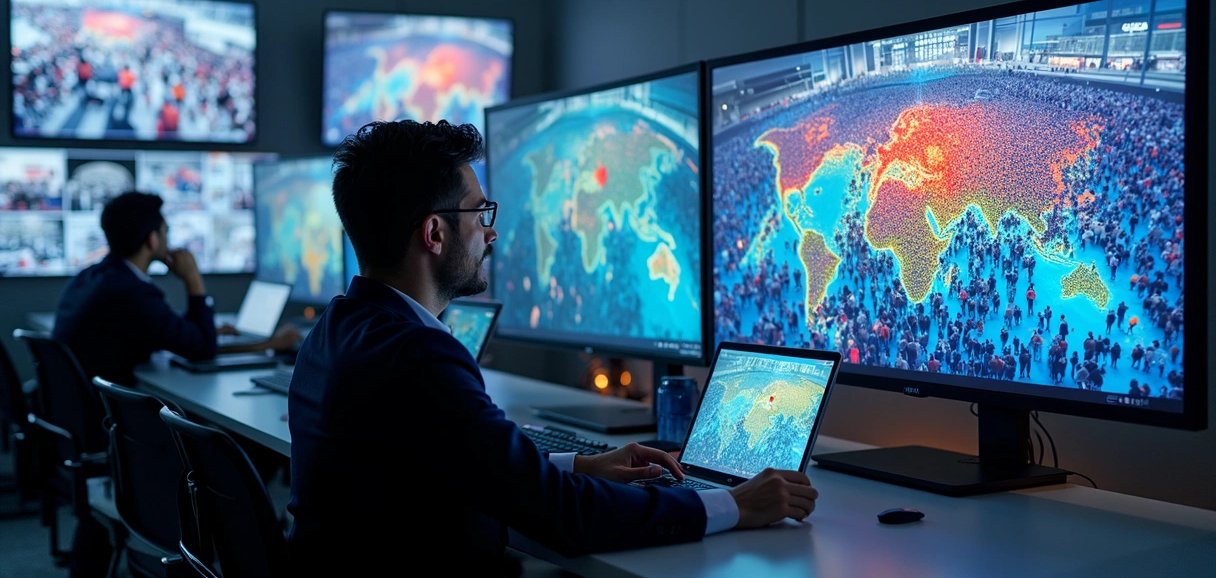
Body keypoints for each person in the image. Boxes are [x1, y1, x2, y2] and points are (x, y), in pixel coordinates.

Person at [287, 121, 819, 575]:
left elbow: (461, 457)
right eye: (480, 214)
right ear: (434, 233)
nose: (491, 234)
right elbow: (565, 517)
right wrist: (733, 505)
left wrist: (579, 465)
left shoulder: (334, 330)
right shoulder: (419, 356)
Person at [53, 192, 299, 577]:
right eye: (165, 232)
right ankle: (244, 541)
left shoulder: (96, 277)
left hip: (92, 427)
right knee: (246, 446)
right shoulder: (132, 291)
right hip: (116, 438)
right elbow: (200, 348)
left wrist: (203, 331)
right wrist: (193, 280)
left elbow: (174, 333)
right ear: (152, 239)